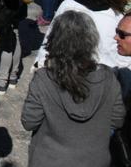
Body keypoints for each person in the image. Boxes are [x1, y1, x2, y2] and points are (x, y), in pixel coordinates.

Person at [22, 11, 125, 167]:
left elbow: (29, 122)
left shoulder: (44, 79)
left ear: (54, 41)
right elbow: (117, 120)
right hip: (95, 161)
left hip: (48, 160)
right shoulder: (108, 77)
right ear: (92, 41)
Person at [35, 0, 131, 68]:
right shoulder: (114, 15)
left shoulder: (67, 4)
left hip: (62, 66)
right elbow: (115, 53)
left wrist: (40, 63)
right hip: (97, 71)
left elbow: (51, 36)